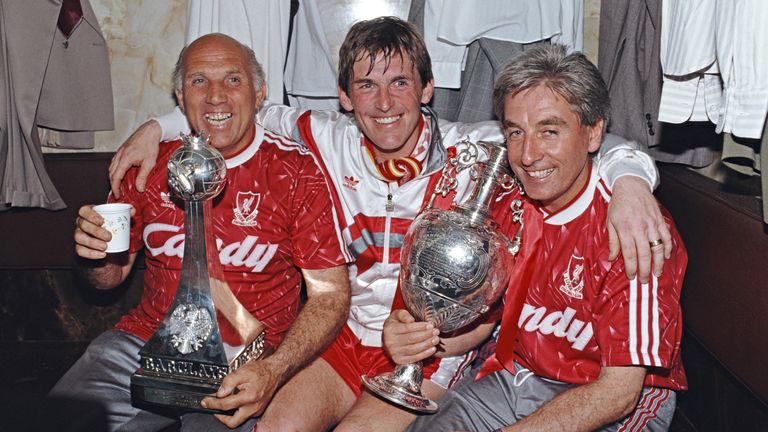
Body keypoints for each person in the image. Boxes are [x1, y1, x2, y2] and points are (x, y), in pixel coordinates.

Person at [108, 17, 672, 431]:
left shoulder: (474, 147)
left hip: (428, 350)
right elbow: (229, 111)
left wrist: (629, 182)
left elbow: (572, 137)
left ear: (427, 89)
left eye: (400, 82)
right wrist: (157, 129)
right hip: (346, 335)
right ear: (344, 99)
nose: (383, 103)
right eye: (366, 86)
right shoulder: (322, 136)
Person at [48, 34, 351, 432]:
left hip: (250, 359)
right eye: (199, 81)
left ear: (259, 93)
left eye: (233, 80)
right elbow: (109, 280)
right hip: (143, 344)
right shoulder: (150, 166)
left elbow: (331, 295)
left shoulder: (295, 172)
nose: (216, 97)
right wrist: (96, 255)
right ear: (180, 95)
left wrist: (275, 371)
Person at [392, 43, 687, 432]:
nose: (528, 155)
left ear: (594, 131)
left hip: (615, 399)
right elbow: (485, 323)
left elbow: (619, 392)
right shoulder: (507, 204)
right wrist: (415, 340)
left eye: (550, 131)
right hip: (522, 377)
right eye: (516, 132)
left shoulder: (633, 228)